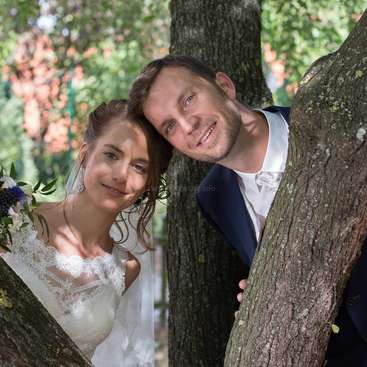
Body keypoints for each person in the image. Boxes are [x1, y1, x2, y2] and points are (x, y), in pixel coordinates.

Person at [127, 55, 367, 366]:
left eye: (188, 99)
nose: (188, 125)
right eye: (170, 126)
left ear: (224, 86)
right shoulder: (213, 199)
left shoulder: (338, 130)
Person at [1, 99, 171, 366]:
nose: (120, 175)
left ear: (148, 185)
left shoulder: (125, 268)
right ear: (85, 154)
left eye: (139, 167)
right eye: (111, 155)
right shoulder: (14, 217)